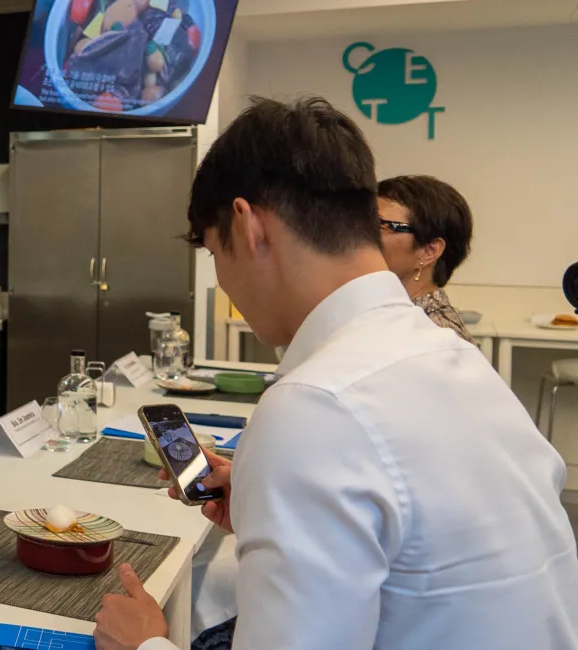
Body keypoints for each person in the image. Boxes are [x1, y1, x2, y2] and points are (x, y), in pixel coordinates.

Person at [93, 96, 578, 650]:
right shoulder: (450, 355)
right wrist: (263, 501)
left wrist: (147, 647)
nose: (224, 281)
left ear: (249, 227)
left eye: (212, 252)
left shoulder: (314, 406)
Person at [377, 175, 475, 344]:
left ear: (429, 250)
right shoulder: (392, 314)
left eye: (380, 224)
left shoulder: (438, 336)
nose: (362, 236)